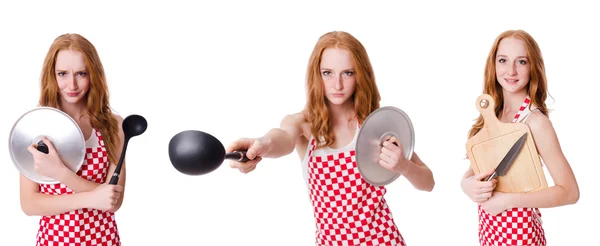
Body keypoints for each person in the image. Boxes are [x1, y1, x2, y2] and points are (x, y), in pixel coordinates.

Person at [227, 31, 435, 245]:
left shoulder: (375, 126)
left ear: (360, 75)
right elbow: (281, 138)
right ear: (316, 75)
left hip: (383, 240)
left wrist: (403, 166)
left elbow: (428, 183)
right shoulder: (303, 125)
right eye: (327, 73)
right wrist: (261, 145)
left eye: (347, 73)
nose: (337, 85)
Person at [461, 30, 580, 246]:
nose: (511, 71)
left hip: (522, 237)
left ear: (533, 66)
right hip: (489, 233)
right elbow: (476, 173)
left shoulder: (535, 122)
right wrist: (466, 185)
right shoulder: (492, 116)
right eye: (503, 60)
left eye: (522, 62)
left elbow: (570, 192)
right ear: (493, 65)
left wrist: (507, 201)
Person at [19, 33, 126, 245]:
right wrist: (92, 198)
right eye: (62, 73)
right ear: (52, 75)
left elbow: (113, 202)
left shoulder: (114, 126)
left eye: (81, 73)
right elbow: (29, 203)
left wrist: (60, 173)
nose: (72, 84)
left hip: (103, 239)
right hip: (54, 240)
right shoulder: (35, 125)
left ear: (93, 75)